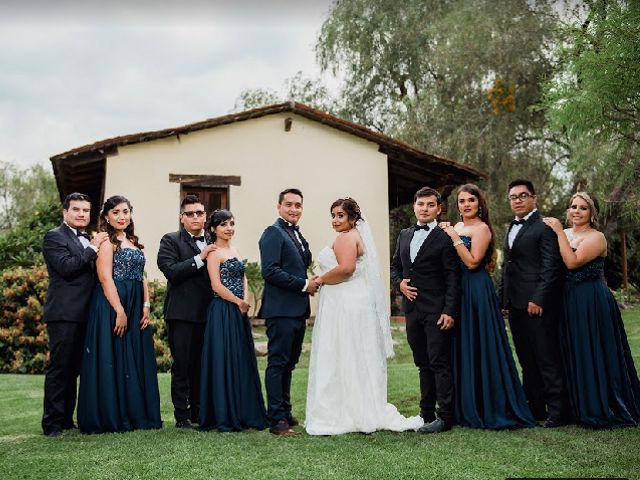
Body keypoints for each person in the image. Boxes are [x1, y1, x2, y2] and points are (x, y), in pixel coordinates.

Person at [306, 198, 423, 435]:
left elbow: (346, 269)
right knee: (355, 352)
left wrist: (319, 279)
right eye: (333, 215)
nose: (335, 220)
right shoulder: (356, 236)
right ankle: (360, 406)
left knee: (345, 352)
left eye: (340, 215)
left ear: (352, 218)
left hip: (345, 303)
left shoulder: (346, 238)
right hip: (353, 300)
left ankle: (349, 411)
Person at [439, 184, 535, 429]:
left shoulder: (481, 229)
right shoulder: (457, 226)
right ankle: (463, 405)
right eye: (462, 201)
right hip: (456, 290)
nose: (466, 204)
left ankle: (488, 405)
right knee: (460, 346)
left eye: (471, 200)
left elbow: (472, 262)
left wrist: (453, 237)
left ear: (479, 203)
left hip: (476, 290)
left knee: (480, 345)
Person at [543, 192, 640, 428]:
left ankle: (602, 404)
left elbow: (572, 262)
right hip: (566, 300)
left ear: (592, 213)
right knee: (573, 349)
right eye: (573, 206)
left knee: (594, 349)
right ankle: (575, 406)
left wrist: (557, 232)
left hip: (591, 300)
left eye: (583, 208)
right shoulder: (565, 234)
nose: (576, 211)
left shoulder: (597, 238)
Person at [77, 195, 161, 433]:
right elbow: (104, 278)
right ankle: (114, 414)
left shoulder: (133, 241)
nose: (121, 216)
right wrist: (119, 311)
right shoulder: (105, 242)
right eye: (116, 212)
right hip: (113, 303)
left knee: (134, 356)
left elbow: (142, 276)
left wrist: (145, 306)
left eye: (125, 211)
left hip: (136, 305)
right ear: (106, 217)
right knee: (115, 355)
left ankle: (137, 413)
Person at [499, 179, 570, 427]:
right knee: (526, 359)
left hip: (536, 304)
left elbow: (551, 267)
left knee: (546, 357)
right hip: (515, 305)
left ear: (534, 198)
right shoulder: (511, 227)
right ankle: (536, 408)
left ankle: (559, 411)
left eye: (522, 195)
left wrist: (538, 298)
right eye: (513, 197)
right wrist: (503, 299)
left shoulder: (544, 227)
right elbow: (507, 267)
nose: (517, 200)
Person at [391, 186, 461, 434]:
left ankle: (446, 416)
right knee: (422, 363)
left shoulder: (445, 237)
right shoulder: (404, 235)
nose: (425, 209)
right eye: (421, 204)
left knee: (439, 362)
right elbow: (395, 267)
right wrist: (399, 283)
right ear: (414, 206)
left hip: (437, 310)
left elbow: (453, 277)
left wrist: (449, 311)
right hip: (411, 311)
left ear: (439, 209)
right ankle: (426, 412)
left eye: (430, 205)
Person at [41, 193, 109, 437]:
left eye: (86, 210)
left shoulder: (87, 239)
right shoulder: (54, 237)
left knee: (76, 369)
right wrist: (93, 247)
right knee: (60, 368)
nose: (82, 214)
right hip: (64, 313)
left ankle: (67, 419)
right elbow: (67, 268)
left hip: (87, 313)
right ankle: (52, 424)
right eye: (76, 209)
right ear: (65, 212)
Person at [199, 209, 267, 431]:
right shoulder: (213, 253)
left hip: (239, 311)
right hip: (222, 311)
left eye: (231, 223)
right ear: (213, 229)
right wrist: (238, 302)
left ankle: (243, 410)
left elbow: (243, 277)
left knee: (239, 358)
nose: (229, 228)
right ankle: (224, 413)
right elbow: (215, 285)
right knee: (224, 358)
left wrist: (244, 300)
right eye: (224, 224)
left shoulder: (235, 250)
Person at [259, 188, 319, 436]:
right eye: (289, 205)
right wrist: (305, 284)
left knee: (290, 363)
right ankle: (276, 420)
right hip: (280, 310)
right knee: (278, 362)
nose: (294, 209)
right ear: (278, 207)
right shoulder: (272, 233)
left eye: (298, 205)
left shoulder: (295, 233)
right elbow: (270, 271)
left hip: (297, 310)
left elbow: (295, 267)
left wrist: (310, 280)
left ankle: (284, 410)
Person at [157, 195, 216, 428]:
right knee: (182, 365)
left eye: (199, 213)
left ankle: (200, 412)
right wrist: (200, 258)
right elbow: (171, 271)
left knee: (202, 365)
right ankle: (182, 415)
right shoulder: (170, 240)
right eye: (190, 213)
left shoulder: (213, 239)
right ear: (182, 218)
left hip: (210, 314)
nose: (195, 217)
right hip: (181, 313)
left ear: (205, 216)